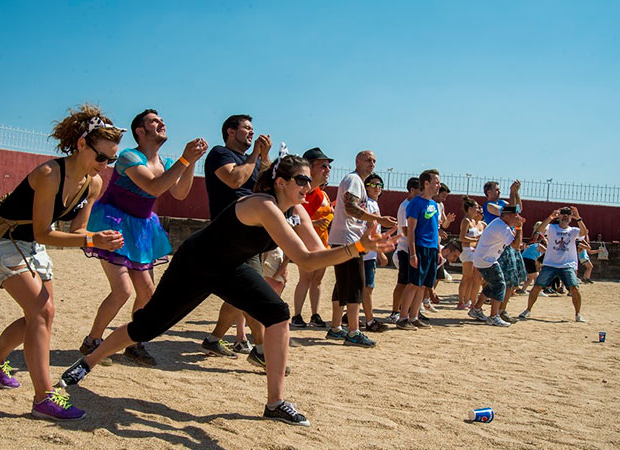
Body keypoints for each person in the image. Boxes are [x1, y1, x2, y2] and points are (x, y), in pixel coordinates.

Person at [56, 155, 399, 426]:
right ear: (281, 182)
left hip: (231, 268)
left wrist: (358, 246)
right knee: (148, 325)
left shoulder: (295, 210)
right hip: (196, 263)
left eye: (310, 180)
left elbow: (312, 255)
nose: (308, 186)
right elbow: (305, 259)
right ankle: (88, 361)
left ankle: (275, 402)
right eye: (302, 180)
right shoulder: (263, 205)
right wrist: (355, 249)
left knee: (277, 315)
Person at [0, 105, 126, 421]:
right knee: (41, 313)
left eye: (111, 160)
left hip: (31, 244)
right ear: (82, 144)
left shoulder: (93, 183)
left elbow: (77, 231)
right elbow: (46, 233)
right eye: (102, 157)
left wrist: (98, 238)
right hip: (5, 240)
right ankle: (44, 398)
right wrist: (91, 241)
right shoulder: (49, 174)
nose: (105, 165)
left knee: (42, 315)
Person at [79, 109, 208, 367]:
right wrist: (184, 158)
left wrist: (191, 161)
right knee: (122, 290)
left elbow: (180, 193)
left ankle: (135, 343)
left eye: (161, 119)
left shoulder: (167, 164)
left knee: (148, 293)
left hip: (142, 228)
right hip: (114, 224)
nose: (161, 122)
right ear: (140, 131)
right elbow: (154, 186)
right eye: (154, 120)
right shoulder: (129, 157)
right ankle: (93, 341)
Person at [201, 114, 273, 362]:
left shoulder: (251, 161)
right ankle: (262, 350)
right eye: (247, 128)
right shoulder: (220, 154)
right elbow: (234, 180)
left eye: (253, 129)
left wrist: (264, 157)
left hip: (251, 232)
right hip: (230, 232)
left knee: (240, 291)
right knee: (252, 289)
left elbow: (271, 184)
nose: (252, 133)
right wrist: (254, 155)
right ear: (231, 131)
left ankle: (213, 340)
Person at [326, 150, 397, 347]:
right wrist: (378, 219)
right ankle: (353, 331)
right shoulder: (354, 181)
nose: (372, 163)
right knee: (356, 284)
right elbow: (350, 208)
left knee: (343, 284)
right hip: (348, 239)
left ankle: (335, 327)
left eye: (374, 160)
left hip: (345, 238)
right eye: (368, 159)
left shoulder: (355, 182)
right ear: (357, 161)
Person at [518, 206, 589, 322]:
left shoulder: (573, 231)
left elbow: (584, 233)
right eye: (563, 214)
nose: (565, 216)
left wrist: (578, 218)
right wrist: (551, 217)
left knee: (574, 288)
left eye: (568, 214)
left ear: (571, 217)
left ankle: (578, 314)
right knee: (537, 287)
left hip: (567, 265)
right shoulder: (552, 228)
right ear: (559, 216)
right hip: (550, 264)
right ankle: (528, 310)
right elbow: (540, 230)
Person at [291, 148, 333, 329]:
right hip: (302, 244)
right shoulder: (296, 189)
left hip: (320, 242)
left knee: (317, 279)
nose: (328, 169)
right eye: (323, 165)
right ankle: (297, 315)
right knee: (304, 278)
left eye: (329, 166)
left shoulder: (318, 194)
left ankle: (315, 314)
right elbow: (294, 220)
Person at [396, 169, 442, 330]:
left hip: (431, 248)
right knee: (413, 283)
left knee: (423, 285)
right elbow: (411, 230)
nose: (439, 186)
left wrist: (438, 251)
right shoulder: (416, 203)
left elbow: (434, 230)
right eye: (436, 182)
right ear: (426, 183)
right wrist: (413, 253)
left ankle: (414, 316)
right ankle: (402, 318)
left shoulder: (434, 205)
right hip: (420, 247)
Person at [467, 204, 524, 326]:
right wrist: (519, 228)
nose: (517, 218)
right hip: (486, 260)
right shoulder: (501, 227)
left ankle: (476, 310)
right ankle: (493, 316)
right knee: (500, 285)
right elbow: (516, 245)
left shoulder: (501, 224)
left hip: (485, 259)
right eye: (515, 216)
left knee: (492, 285)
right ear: (507, 216)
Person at [388, 177, 421, 323]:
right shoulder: (405, 206)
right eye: (420, 190)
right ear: (412, 190)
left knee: (413, 282)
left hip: (413, 247)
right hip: (404, 248)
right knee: (402, 282)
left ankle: (409, 311)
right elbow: (406, 230)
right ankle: (395, 311)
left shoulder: (416, 205)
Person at [362, 173, 390, 332]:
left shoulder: (372, 204)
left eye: (379, 185)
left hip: (367, 251)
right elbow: (369, 228)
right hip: (368, 251)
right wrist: (379, 251)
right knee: (368, 287)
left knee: (363, 286)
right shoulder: (369, 204)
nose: (377, 187)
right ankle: (370, 321)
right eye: (373, 185)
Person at [456, 197, 482, 310]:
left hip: (474, 251)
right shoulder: (466, 221)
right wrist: (475, 239)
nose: (477, 209)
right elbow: (462, 237)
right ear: (470, 208)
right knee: (466, 277)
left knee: (473, 278)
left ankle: (468, 300)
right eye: (476, 207)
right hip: (467, 251)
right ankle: (461, 301)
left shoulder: (474, 221)